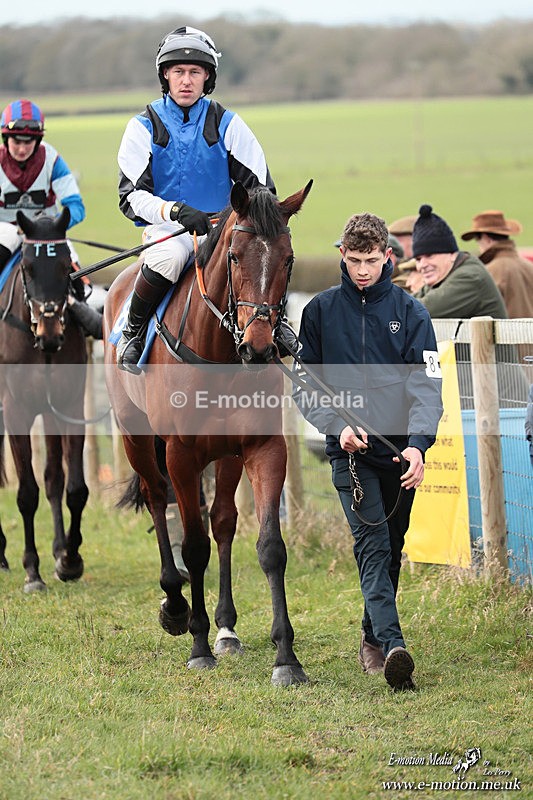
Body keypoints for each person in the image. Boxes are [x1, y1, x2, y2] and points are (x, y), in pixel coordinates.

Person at [295, 213, 443, 691]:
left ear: (388, 257)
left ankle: (370, 635)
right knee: (373, 545)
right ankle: (394, 646)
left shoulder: (413, 313)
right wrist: (337, 427)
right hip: (349, 455)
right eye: (355, 260)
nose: (362, 270)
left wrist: (419, 447)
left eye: (372, 261)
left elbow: (428, 389)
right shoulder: (318, 312)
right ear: (343, 254)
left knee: (392, 548)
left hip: (401, 457)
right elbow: (304, 386)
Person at [115, 25, 276, 373]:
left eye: (194, 72)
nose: (186, 81)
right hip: (167, 231)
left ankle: (278, 330)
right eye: (178, 72)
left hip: (224, 232)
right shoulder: (141, 127)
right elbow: (131, 197)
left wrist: (235, 219)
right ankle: (133, 331)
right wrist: (173, 211)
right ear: (165, 76)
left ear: (207, 78)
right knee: (170, 259)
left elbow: (262, 189)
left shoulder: (229, 124)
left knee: (262, 258)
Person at [0, 98, 85, 271]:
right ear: (6, 139)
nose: (22, 149)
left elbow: (76, 207)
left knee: (79, 280)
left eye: (28, 142)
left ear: (37, 141)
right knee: (9, 235)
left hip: (46, 233)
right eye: (17, 142)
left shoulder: (53, 161)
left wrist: (55, 225)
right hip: (5, 231)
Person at [412, 204, 508, 320]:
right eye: (418, 259)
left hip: (487, 338)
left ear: (452, 254)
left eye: (430, 256)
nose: (423, 265)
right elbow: (408, 300)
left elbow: (422, 309)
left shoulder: (469, 277)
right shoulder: (441, 277)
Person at [460, 210, 533, 319]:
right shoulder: (529, 266)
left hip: (507, 335)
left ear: (486, 239)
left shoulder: (488, 272)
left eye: (477, 240)